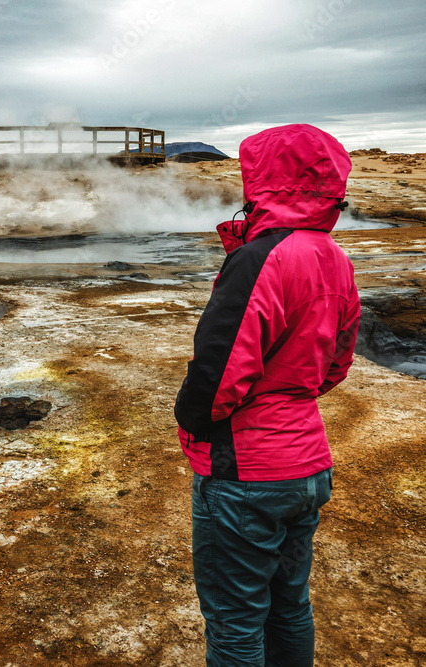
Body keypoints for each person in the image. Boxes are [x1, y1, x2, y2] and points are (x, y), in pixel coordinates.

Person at [173, 124, 361, 666]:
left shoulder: (260, 258)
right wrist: (292, 393)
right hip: (307, 465)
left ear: (265, 179)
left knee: (235, 621)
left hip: (246, 473)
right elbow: (337, 363)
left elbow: (216, 374)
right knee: (288, 604)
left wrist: (192, 421)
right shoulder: (334, 256)